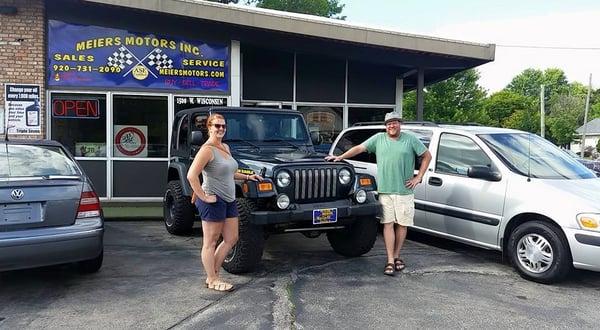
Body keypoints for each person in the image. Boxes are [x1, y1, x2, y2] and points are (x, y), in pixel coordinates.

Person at [326, 112, 432, 276]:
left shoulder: (410, 139)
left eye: (395, 122)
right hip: (385, 190)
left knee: (402, 224)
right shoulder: (378, 139)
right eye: (389, 123)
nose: (392, 126)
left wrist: (419, 177)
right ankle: (390, 260)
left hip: (405, 190)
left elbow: (427, 156)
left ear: (399, 124)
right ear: (386, 126)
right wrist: (340, 157)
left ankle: (397, 256)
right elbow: (360, 148)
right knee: (388, 224)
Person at [187, 113, 263, 291]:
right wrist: (204, 196)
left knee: (231, 238)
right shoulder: (207, 150)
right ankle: (213, 279)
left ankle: (212, 273)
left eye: (223, 126)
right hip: (213, 200)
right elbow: (192, 175)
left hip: (229, 200)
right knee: (210, 242)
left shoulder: (225, 147)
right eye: (217, 126)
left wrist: (247, 177)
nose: (220, 129)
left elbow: (228, 172)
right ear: (209, 128)